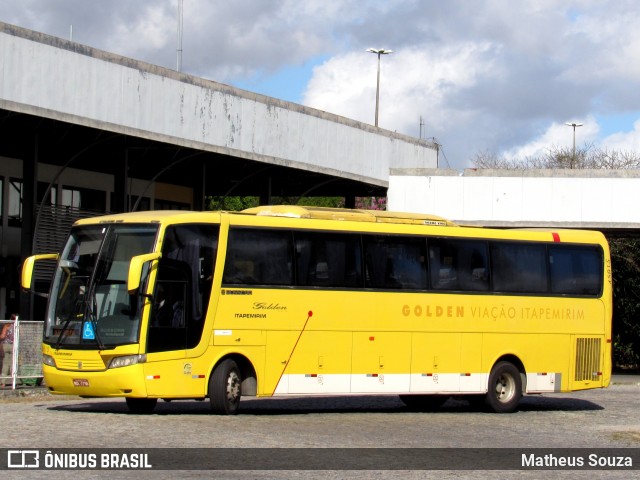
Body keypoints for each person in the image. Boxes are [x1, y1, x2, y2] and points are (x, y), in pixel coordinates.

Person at [0, 314, 16, 387]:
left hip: (6, 345)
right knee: (14, 363)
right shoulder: (17, 326)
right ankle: (14, 380)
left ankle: (3, 382)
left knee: (6, 363)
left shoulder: (6, 326)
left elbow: (2, 336)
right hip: (14, 346)